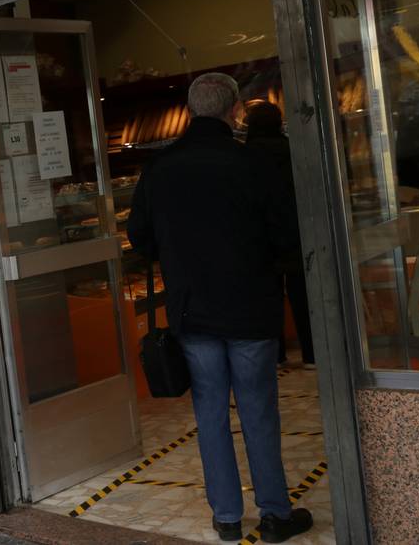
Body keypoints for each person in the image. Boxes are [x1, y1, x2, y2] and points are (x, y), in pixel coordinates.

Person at [127, 73, 312, 543]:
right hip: (251, 308)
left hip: (192, 312)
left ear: (191, 111)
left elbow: (140, 239)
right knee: (258, 411)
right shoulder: (252, 164)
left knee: (210, 412)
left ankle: (226, 517)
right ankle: (274, 513)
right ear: (234, 110)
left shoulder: (160, 168)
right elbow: (288, 235)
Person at [243, 101, 315, 369]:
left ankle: (276, 355)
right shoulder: (292, 150)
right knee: (302, 296)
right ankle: (311, 354)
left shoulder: (246, 155)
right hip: (296, 231)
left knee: (269, 297)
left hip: (261, 237)